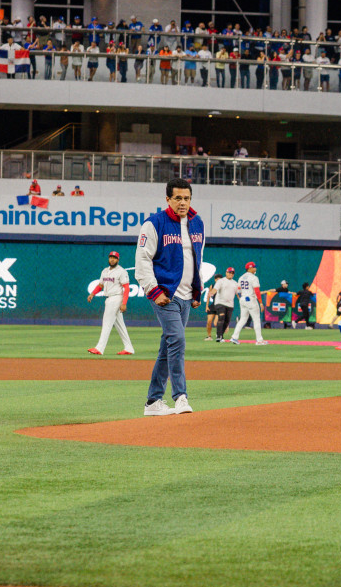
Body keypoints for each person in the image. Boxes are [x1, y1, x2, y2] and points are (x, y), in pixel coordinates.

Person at [134, 178, 204, 416]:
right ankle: (180, 397)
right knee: (178, 340)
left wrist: (197, 289)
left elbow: (198, 257)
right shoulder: (154, 223)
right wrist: (154, 291)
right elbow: (142, 260)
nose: (183, 202)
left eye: (187, 198)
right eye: (178, 198)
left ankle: (153, 401)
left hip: (186, 296)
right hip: (165, 294)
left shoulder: (197, 223)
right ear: (168, 199)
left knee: (168, 346)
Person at [87, 251, 135, 356]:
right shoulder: (105, 271)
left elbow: (126, 288)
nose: (112, 259)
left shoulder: (121, 271)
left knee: (107, 322)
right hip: (109, 298)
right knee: (120, 325)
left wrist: (124, 303)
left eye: (114, 258)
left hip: (116, 297)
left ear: (118, 259)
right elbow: (100, 285)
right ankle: (129, 348)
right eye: (111, 257)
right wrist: (92, 294)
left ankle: (99, 348)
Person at [229, 260, 267, 345]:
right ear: (249, 268)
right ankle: (259, 340)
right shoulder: (253, 278)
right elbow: (257, 290)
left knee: (243, 319)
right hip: (251, 299)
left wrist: (242, 299)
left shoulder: (241, 277)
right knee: (256, 320)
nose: (255, 268)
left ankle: (234, 337)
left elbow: (238, 291)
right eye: (254, 267)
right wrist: (261, 302)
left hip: (243, 299)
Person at [209, 266, 239, 341]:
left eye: (232, 273)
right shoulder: (221, 281)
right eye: (229, 272)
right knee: (221, 318)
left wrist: (241, 300)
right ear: (226, 272)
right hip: (220, 302)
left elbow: (238, 294)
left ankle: (221, 335)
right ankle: (218, 336)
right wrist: (212, 293)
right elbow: (215, 289)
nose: (231, 274)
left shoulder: (235, 283)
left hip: (230, 304)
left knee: (227, 321)